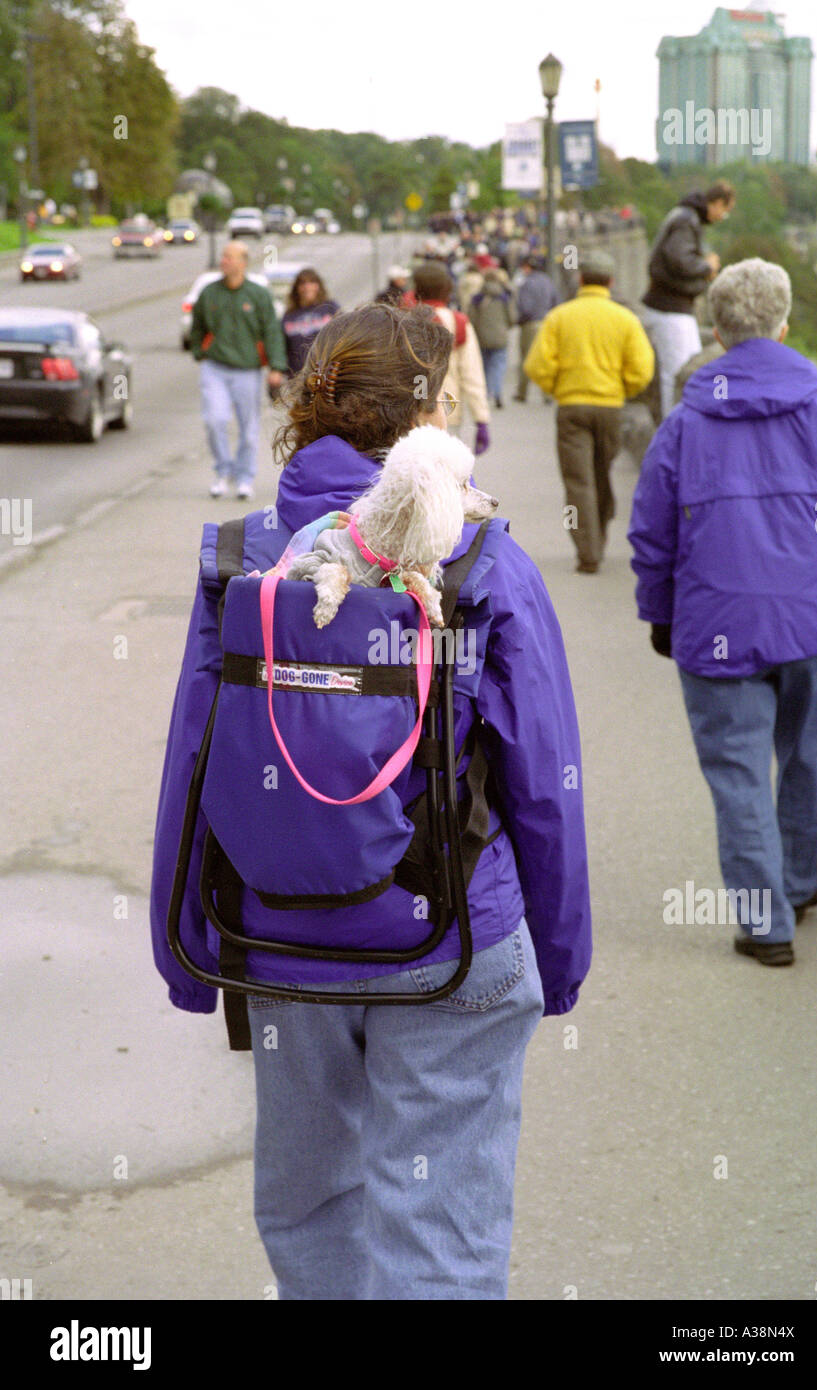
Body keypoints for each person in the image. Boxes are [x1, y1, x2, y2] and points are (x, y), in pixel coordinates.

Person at [149, 301, 592, 1300]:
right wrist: (558, 961)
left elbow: (192, 761)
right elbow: (545, 785)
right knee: (439, 1235)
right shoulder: (480, 560)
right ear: (428, 417)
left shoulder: (244, 556)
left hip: (277, 940)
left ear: (309, 409)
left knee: (309, 1208)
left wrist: (186, 953)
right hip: (451, 941)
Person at [628, 258, 817, 965]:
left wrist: (659, 614)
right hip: (816, 623)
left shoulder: (687, 424)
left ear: (716, 334)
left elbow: (653, 533)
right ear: (785, 327)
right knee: (808, 756)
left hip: (718, 624)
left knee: (738, 774)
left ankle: (766, 924)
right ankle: (800, 881)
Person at [523, 249, 655, 573]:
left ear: (580, 279)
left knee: (578, 481)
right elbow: (643, 369)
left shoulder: (560, 317)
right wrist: (622, 389)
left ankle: (588, 551)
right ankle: (601, 533)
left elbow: (536, 365)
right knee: (601, 474)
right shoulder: (625, 319)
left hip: (571, 408)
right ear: (611, 281)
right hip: (610, 408)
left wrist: (558, 388)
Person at [190, 240, 287, 501]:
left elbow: (271, 332)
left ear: (243, 263)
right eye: (223, 256)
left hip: (248, 370)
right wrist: (199, 350)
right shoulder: (210, 293)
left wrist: (276, 366)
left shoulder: (257, 294)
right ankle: (222, 472)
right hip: (215, 367)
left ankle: (245, 478)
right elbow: (197, 325)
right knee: (214, 419)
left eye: (229, 257)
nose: (224, 261)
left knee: (249, 427)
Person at [640, 181, 735, 421]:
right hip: (670, 308)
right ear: (716, 203)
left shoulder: (684, 215)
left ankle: (678, 430)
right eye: (725, 210)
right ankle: (675, 434)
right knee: (679, 374)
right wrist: (707, 266)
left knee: (683, 371)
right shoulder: (686, 219)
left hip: (670, 306)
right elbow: (679, 259)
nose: (724, 216)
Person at [412, 261, 491, 456]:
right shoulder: (458, 322)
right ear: (448, 290)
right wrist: (481, 419)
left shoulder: (401, 319)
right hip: (447, 408)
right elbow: (471, 373)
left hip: (408, 412)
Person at [468, 268, 515, 409]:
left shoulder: (477, 298)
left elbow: (471, 318)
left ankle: (486, 392)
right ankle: (497, 391)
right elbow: (512, 318)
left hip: (481, 337)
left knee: (484, 366)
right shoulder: (505, 297)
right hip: (500, 337)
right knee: (499, 365)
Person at [513, 255, 558, 403]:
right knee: (545, 357)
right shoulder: (547, 281)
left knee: (526, 358)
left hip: (530, 324)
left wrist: (520, 320)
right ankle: (547, 393)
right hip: (546, 322)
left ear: (527, 267)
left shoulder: (527, 283)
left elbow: (525, 307)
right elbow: (556, 301)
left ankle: (522, 392)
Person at [282, 267, 340, 376]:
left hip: (328, 372)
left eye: (312, 282)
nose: (307, 287)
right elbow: (281, 348)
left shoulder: (330, 308)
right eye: (302, 283)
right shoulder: (289, 315)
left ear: (318, 286)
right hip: (298, 375)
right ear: (297, 288)